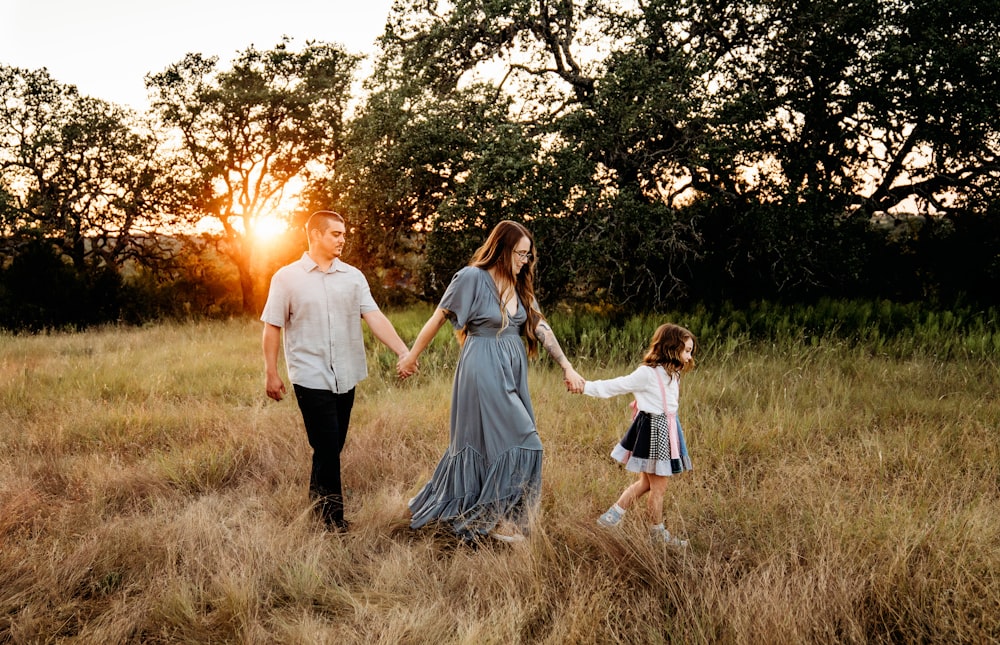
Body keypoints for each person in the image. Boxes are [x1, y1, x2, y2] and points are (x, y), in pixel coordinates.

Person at [397, 220, 585, 543]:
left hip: (512, 370)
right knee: (526, 441)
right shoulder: (472, 278)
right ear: (501, 249)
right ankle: (494, 519)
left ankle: (494, 517)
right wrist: (412, 356)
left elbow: (541, 327)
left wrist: (567, 366)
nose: (524, 261)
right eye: (519, 254)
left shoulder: (520, 286)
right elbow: (438, 316)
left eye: (528, 256)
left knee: (489, 445)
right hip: (482, 365)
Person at [261, 210, 410, 532]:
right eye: (336, 234)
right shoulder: (287, 278)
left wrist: (403, 351)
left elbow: (375, 317)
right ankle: (333, 523)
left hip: (346, 373)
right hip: (310, 375)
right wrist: (271, 373)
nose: (343, 239)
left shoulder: (353, 277)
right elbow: (272, 326)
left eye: (344, 234)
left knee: (330, 447)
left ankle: (316, 505)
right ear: (315, 234)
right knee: (328, 447)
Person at [577, 323, 696, 547]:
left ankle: (610, 518)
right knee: (658, 488)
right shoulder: (647, 374)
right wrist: (585, 387)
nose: (689, 357)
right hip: (655, 433)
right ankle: (656, 535)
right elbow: (617, 385)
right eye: (686, 351)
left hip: (667, 428)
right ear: (671, 348)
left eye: (691, 351)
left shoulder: (674, 372)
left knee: (645, 484)